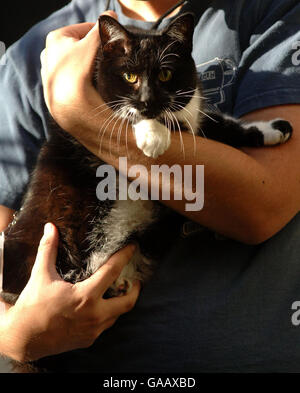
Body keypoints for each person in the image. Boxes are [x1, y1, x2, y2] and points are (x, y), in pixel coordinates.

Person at [0, 0, 300, 372]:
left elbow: (262, 207)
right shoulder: (32, 54)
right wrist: (12, 334)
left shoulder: (274, 13)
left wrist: (75, 108)